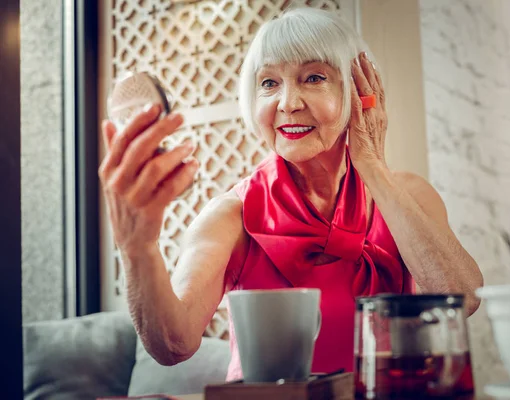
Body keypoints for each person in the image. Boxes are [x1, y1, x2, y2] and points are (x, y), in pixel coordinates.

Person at [98, 7, 483, 380]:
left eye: (313, 77)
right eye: (269, 83)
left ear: (359, 91)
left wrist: (374, 169)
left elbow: (462, 298)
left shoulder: (409, 195)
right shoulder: (231, 215)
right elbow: (172, 344)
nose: (287, 103)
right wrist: (138, 247)